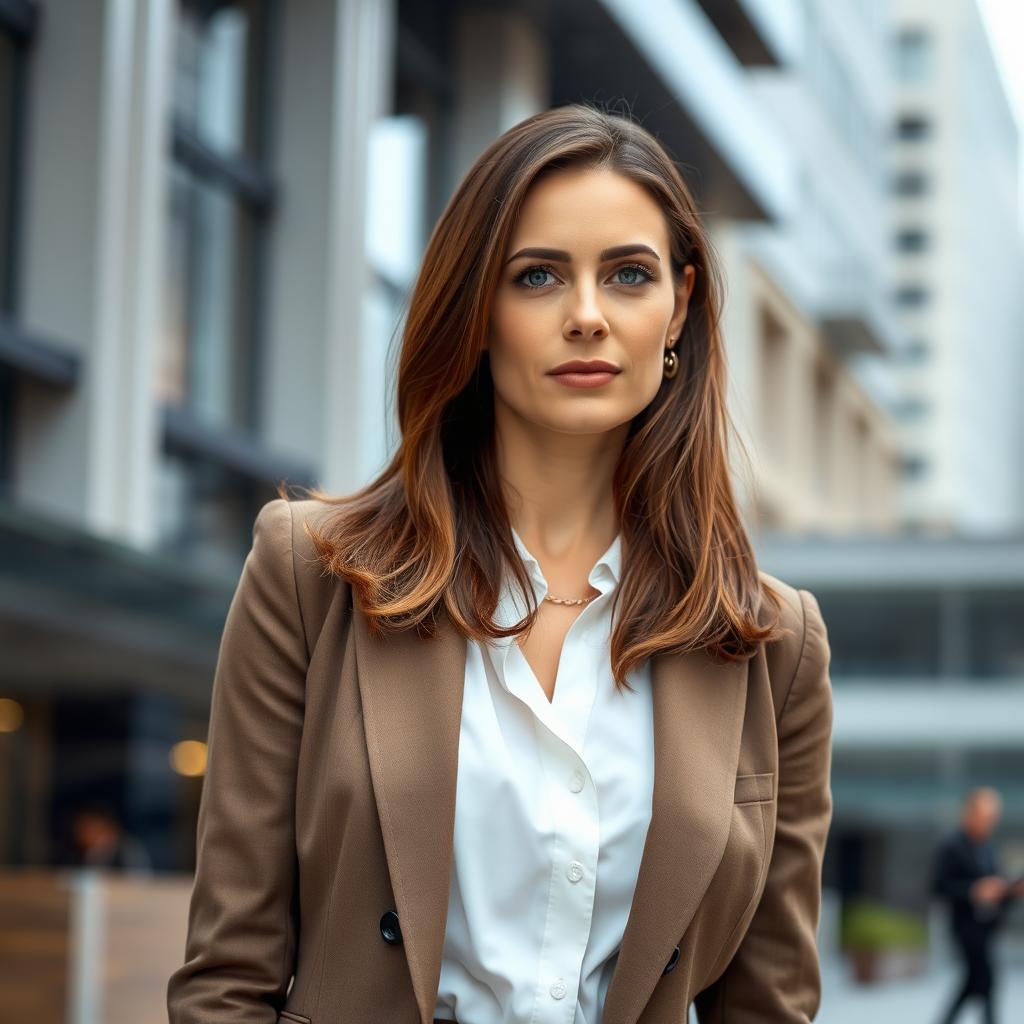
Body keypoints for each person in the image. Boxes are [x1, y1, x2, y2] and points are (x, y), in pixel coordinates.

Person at [167, 103, 835, 1024]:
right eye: (538, 277)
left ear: (679, 304)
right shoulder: (307, 574)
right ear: (477, 310)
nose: (588, 316)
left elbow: (769, 1004)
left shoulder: (771, 642)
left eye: (629, 275)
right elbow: (227, 979)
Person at [932, 787, 1024, 1024]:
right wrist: (973, 890)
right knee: (986, 979)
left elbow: (996, 886)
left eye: (992, 817)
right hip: (965, 927)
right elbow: (939, 887)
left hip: (987, 926)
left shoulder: (989, 847)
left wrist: (1012, 891)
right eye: (985, 816)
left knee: (975, 981)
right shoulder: (952, 845)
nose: (989, 822)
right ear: (969, 813)